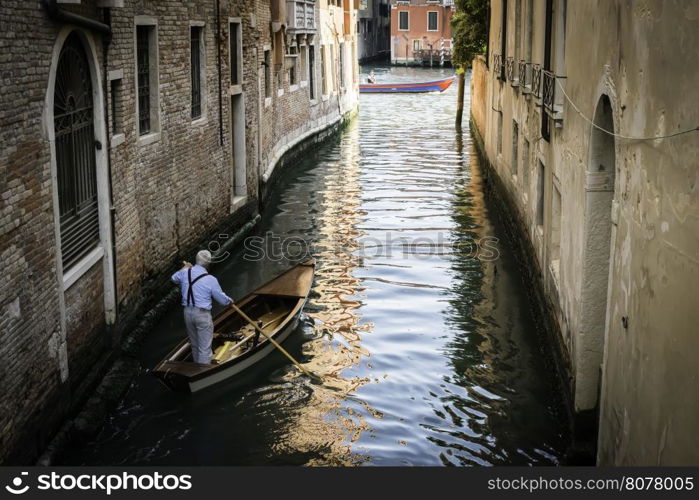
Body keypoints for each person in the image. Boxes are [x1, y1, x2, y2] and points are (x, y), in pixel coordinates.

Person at [171, 250, 233, 364]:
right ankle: (202, 373)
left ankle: (196, 368)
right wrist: (230, 301)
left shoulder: (185, 272)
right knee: (204, 348)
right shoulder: (211, 279)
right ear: (208, 263)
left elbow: (174, 278)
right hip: (202, 315)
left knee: (194, 345)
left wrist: (184, 268)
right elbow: (222, 300)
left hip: (187, 313)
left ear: (196, 260)